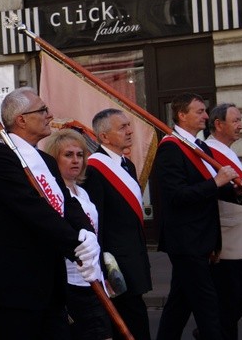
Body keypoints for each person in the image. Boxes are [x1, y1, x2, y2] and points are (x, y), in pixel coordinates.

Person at [0, 87, 101, 340]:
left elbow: (67, 203)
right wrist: (75, 243)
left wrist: (87, 234)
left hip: (50, 284)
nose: (49, 115)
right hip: (15, 285)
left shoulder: (44, 160)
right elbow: (34, 211)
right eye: (42, 110)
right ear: (21, 119)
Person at [153, 93, 242, 340]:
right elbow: (176, 196)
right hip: (186, 239)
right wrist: (217, 182)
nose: (206, 116)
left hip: (202, 237)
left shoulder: (199, 145)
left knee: (179, 304)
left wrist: (233, 190)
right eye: (199, 111)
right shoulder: (170, 147)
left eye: (205, 111)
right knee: (208, 306)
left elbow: (210, 186)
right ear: (182, 115)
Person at [82, 109, 152, 340]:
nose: (130, 130)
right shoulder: (94, 169)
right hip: (116, 263)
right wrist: (103, 265)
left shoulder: (127, 165)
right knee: (129, 324)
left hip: (134, 257)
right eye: (122, 127)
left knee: (135, 320)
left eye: (128, 125)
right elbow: (95, 221)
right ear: (103, 137)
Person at [43, 128, 112, 340]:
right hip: (69, 284)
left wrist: (103, 272)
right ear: (55, 159)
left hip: (94, 280)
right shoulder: (52, 193)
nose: (76, 160)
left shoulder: (83, 192)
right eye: (68, 155)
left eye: (80, 155)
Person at [206, 103, 242, 340]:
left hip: (241, 237)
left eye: (241, 120)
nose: (241, 125)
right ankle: (214, 332)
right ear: (219, 125)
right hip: (226, 238)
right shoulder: (209, 151)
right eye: (236, 121)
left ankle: (213, 331)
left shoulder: (227, 150)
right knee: (232, 295)